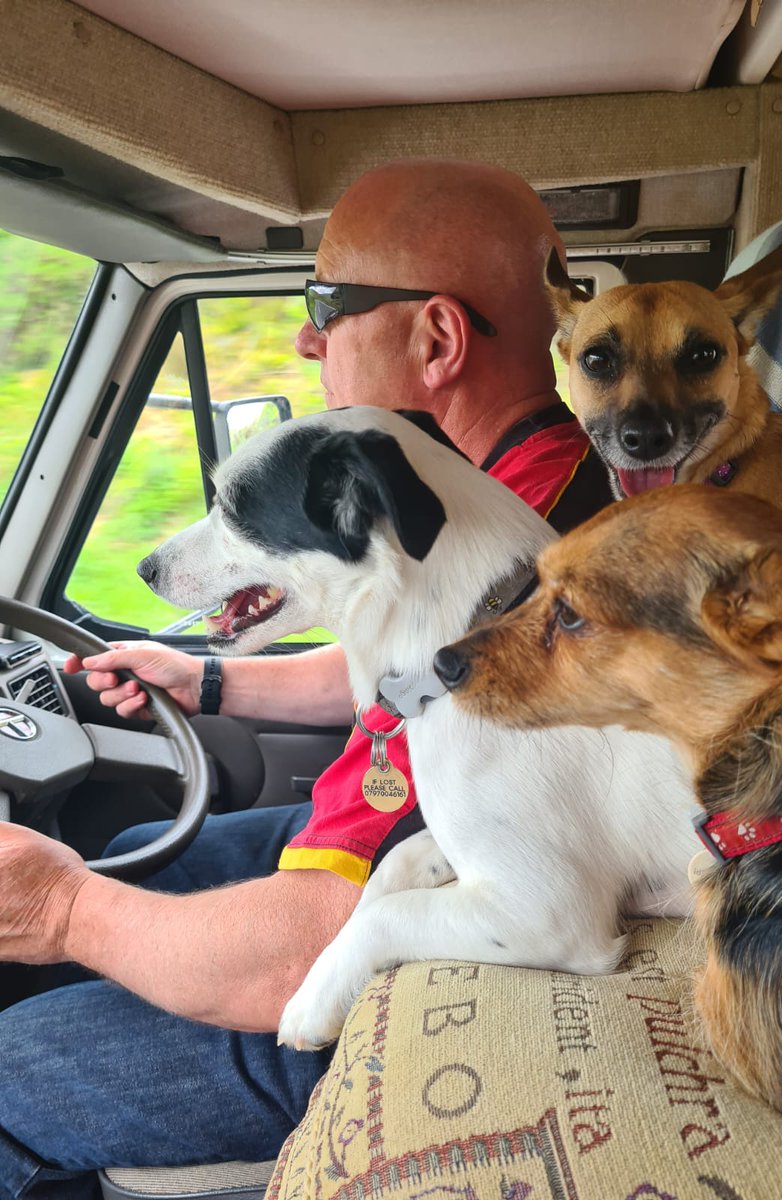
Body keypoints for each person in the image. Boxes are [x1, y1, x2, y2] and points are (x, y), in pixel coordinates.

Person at [0, 159, 613, 1198]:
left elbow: (307, 951)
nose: (304, 339)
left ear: (436, 340)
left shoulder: (544, 568)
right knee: (139, 849)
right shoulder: (506, 489)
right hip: (367, 851)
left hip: (374, 956)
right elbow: (402, 685)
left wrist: (63, 911)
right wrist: (205, 681)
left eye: (327, 305)